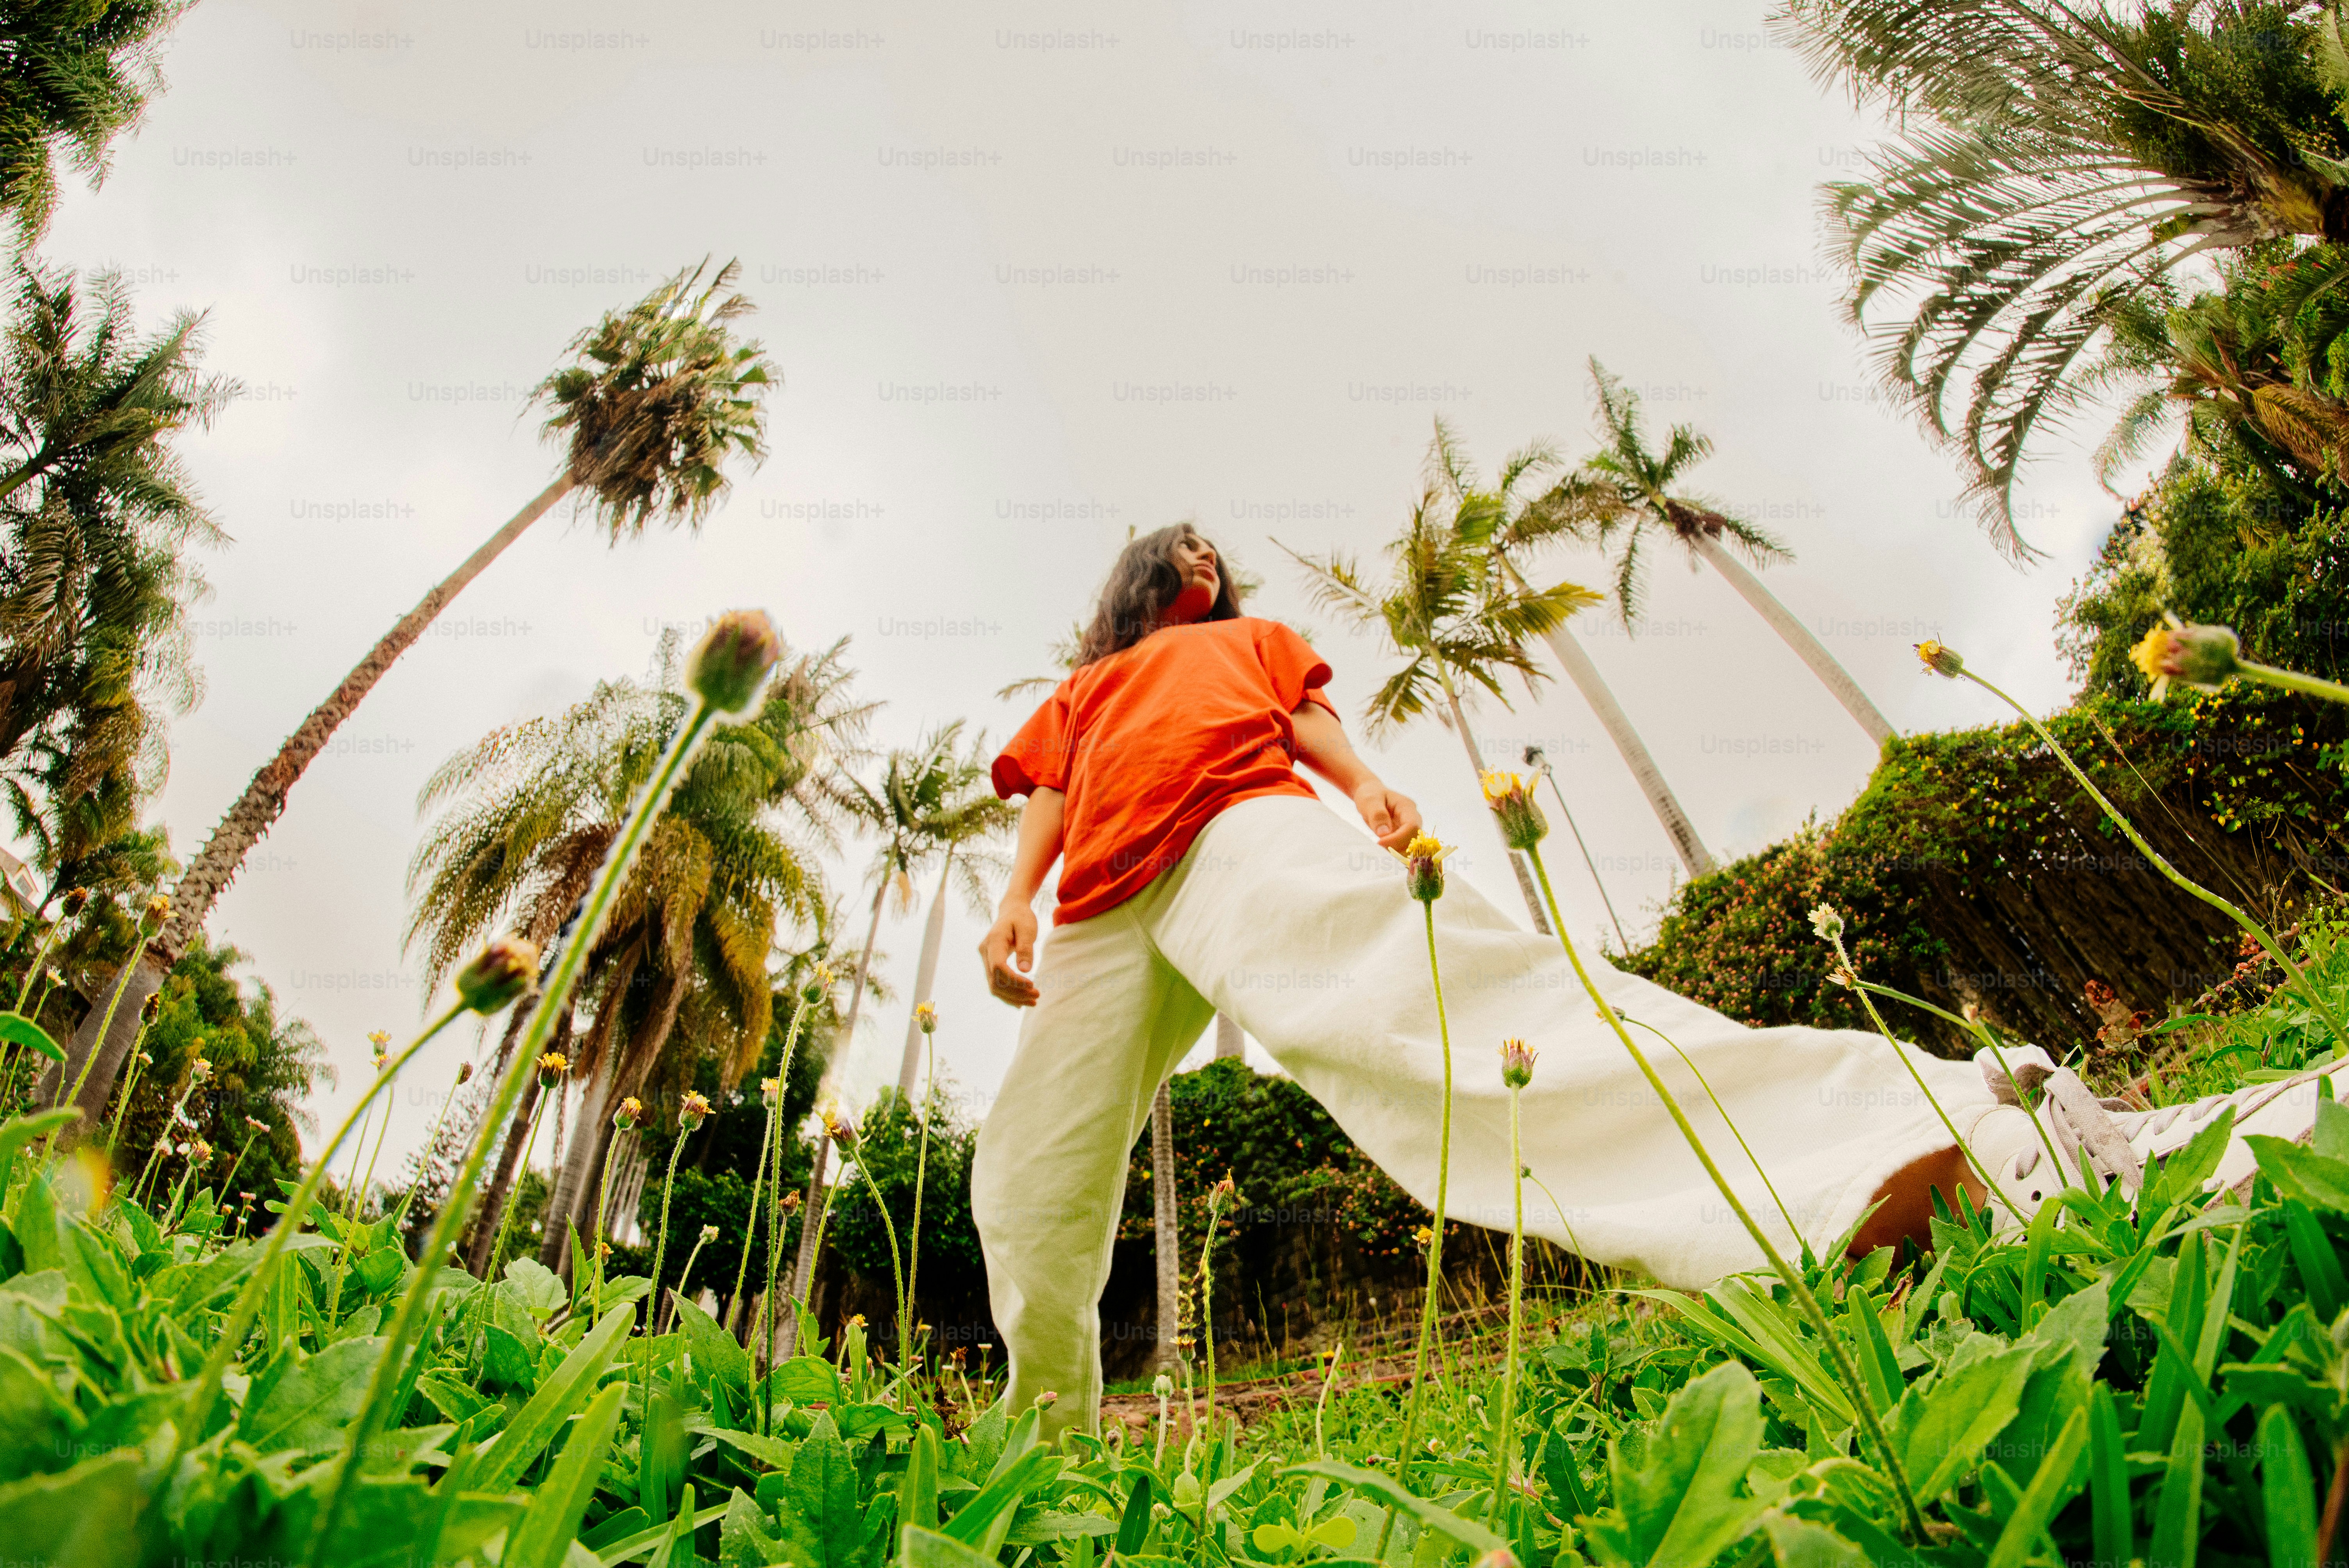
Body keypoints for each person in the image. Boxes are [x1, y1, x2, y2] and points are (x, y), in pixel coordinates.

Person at [971, 522, 2344, 1434]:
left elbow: (1308, 718)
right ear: (1139, 588)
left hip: (1236, 838)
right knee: (1025, 1179)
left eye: (1216, 550)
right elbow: (1045, 791)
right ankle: (1051, 1457)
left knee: (1445, 1019)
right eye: (1180, 551)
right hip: (1103, 909)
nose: (1203, 561)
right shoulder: (1084, 690)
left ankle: (1989, 1141)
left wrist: (1374, 788)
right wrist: (1014, 908)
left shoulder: (1242, 648)